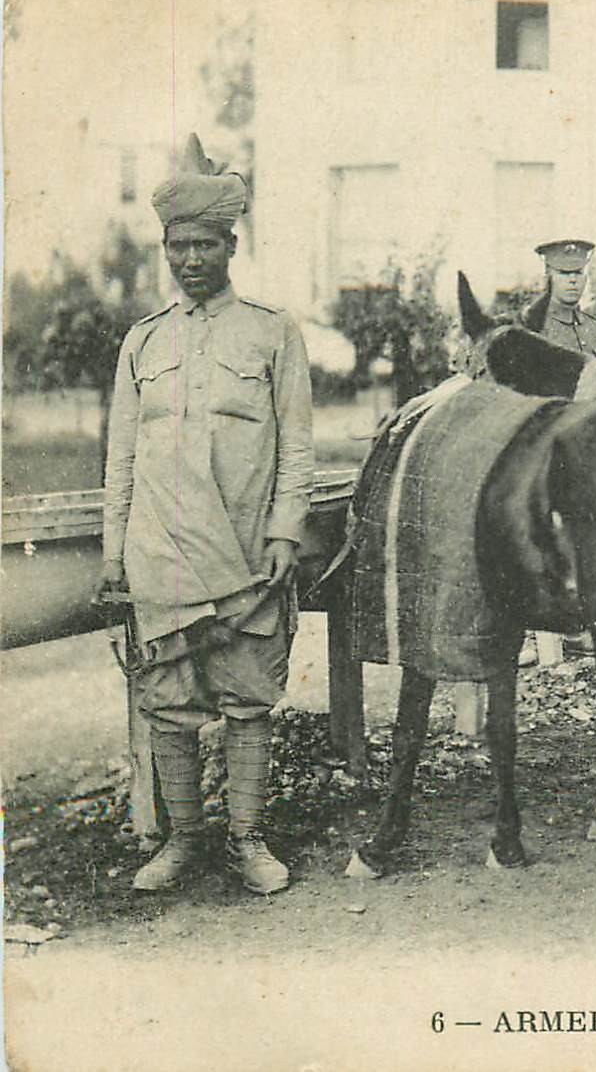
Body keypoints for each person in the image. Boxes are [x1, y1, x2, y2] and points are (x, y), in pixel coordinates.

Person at [98, 134, 314, 895]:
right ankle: (184, 842)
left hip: (246, 553)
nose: (191, 259)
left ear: (231, 243)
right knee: (169, 703)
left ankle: (248, 841)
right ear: (165, 247)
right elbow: (120, 458)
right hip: (158, 552)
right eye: (178, 245)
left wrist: (287, 529)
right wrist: (112, 551)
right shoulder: (142, 342)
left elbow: (296, 446)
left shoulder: (271, 330)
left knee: (247, 696)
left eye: (206, 244)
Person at [532, 238, 596, 357]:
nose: (573, 280)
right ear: (548, 279)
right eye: (563, 273)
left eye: (578, 273)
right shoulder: (535, 329)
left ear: (586, 279)